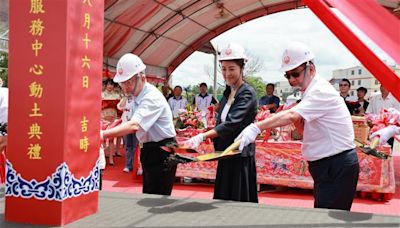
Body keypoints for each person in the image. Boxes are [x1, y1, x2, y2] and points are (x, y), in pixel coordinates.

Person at [237, 42, 359, 210]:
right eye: (288, 75)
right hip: (326, 165)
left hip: (335, 164)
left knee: (329, 220)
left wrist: (256, 127)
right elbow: (305, 131)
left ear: (311, 68)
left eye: (295, 73)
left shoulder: (320, 91)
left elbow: (292, 115)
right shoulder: (309, 92)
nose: (292, 80)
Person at [185, 42, 258, 203]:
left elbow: (232, 123)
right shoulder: (227, 92)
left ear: (241, 68)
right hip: (225, 154)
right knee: (222, 201)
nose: (227, 73)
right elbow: (221, 121)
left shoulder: (247, 93)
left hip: (239, 155)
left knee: (238, 202)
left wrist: (203, 136)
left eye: (232, 69)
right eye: (224, 69)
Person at [101, 53, 177, 196]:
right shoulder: (135, 96)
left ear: (142, 78)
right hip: (150, 149)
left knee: (158, 200)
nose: (125, 87)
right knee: (148, 195)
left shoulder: (151, 97)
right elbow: (128, 120)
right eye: (122, 83)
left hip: (163, 151)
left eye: (128, 82)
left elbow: (134, 125)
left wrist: (102, 134)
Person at [117, 93, 138, 173]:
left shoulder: (138, 98)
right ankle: (128, 165)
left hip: (135, 124)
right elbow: (120, 107)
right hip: (125, 124)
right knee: (128, 146)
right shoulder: (125, 99)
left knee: (135, 146)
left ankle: (136, 165)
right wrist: (125, 96)